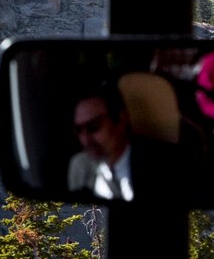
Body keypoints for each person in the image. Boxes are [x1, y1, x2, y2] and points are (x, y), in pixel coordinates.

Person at [65, 69, 182, 200]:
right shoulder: (80, 166)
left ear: (120, 120)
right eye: (79, 130)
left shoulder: (165, 165)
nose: (85, 140)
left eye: (94, 127)